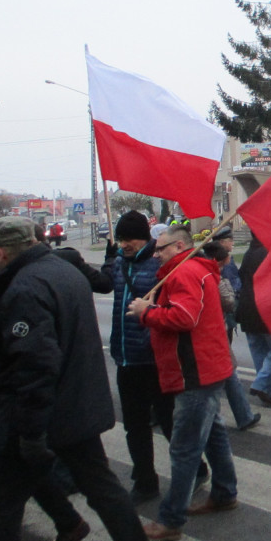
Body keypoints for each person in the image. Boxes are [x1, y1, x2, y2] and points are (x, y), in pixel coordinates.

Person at [0, 216, 159, 541]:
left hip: (39, 415)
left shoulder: (25, 288)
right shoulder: (65, 272)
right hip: (77, 406)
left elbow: (34, 364)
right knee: (105, 491)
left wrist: (29, 432)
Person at [127, 225, 238, 541]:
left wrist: (147, 312)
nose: (156, 253)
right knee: (213, 436)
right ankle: (225, 493)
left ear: (178, 247)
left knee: (184, 448)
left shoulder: (184, 272)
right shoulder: (192, 269)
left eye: (160, 248)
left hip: (196, 372)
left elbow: (184, 318)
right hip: (206, 367)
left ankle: (170, 520)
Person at [99, 211, 177, 504]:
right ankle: (145, 481)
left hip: (153, 359)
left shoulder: (158, 265)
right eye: (120, 239)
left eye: (128, 239)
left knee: (169, 423)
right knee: (135, 426)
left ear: (144, 238)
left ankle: (196, 470)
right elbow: (103, 283)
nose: (124, 245)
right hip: (126, 358)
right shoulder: (119, 264)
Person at [200, 241, 261, 430]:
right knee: (226, 372)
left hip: (214, 329)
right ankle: (238, 416)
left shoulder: (202, 270)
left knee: (227, 372)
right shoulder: (210, 275)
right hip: (212, 331)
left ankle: (243, 415)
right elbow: (227, 301)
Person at [235, 236, 271, 406]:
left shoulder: (250, 252)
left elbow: (241, 275)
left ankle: (267, 388)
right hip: (264, 308)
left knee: (259, 351)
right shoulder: (267, 253)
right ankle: (261, 383)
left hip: (247, 308)